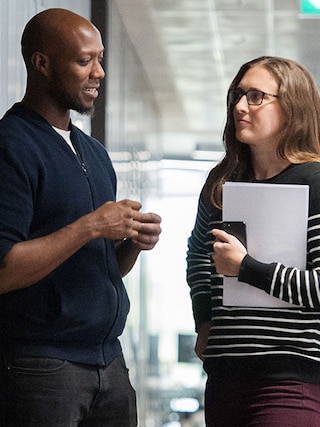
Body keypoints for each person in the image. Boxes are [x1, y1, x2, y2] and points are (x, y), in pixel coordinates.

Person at [0, 8, 161, 427]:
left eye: (101, 58)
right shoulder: (11, 145)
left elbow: (99, 269)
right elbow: (2, 270)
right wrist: (92, 225)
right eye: (84, 60)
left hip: (109, 363)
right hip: (42, 368)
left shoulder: (94, 153)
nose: (100, 73)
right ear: (42, 64)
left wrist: (130, 244)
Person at [187, 56, 320, 427]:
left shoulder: (315, 181)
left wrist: (246, 268)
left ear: (291, 108)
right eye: (237, 95)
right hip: (224, 376)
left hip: (290, 381)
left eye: (257, 96)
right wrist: (204, 321)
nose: (240, 107)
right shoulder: (222, 181)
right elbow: (198, 254)